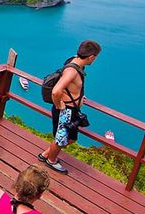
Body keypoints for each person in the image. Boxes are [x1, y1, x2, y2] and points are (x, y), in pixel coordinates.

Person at [38, 40, 102, 174]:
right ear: (91, 57)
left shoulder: (75, 61)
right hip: (66, 111)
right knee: (61, 138)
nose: (94, 60)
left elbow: (70, 87)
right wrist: (60, 105)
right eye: (95, 57)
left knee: (70, 137)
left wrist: (78, 96)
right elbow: (56, 91)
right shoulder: (72, 71)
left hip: (70, 109)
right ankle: (51, 160)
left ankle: (45, 154)